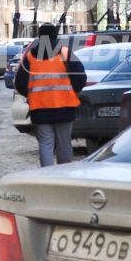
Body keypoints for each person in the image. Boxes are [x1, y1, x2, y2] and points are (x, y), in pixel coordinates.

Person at [19, 23, 85, 167]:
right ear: (56, 36)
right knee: (64, 143)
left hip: (40, 109)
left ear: (39, 37)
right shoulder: (65, 53)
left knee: (45, 144)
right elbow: (80, 78)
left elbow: (20, 84)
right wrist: (72, 92)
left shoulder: (30, 57)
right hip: (65, 107)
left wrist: (32, 96)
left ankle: (47, 175)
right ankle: (65, 174)